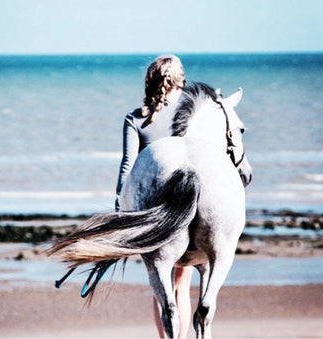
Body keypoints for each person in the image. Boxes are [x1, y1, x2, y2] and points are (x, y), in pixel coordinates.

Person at [115, 55, 194, 339]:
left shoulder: (135, 119)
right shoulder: (191, 117)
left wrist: (119, 204)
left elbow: (129, 165)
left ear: (150, 82)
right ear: (180, 82)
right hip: (190, 207)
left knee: (159, 285)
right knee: (182, 283)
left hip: (152, 212)